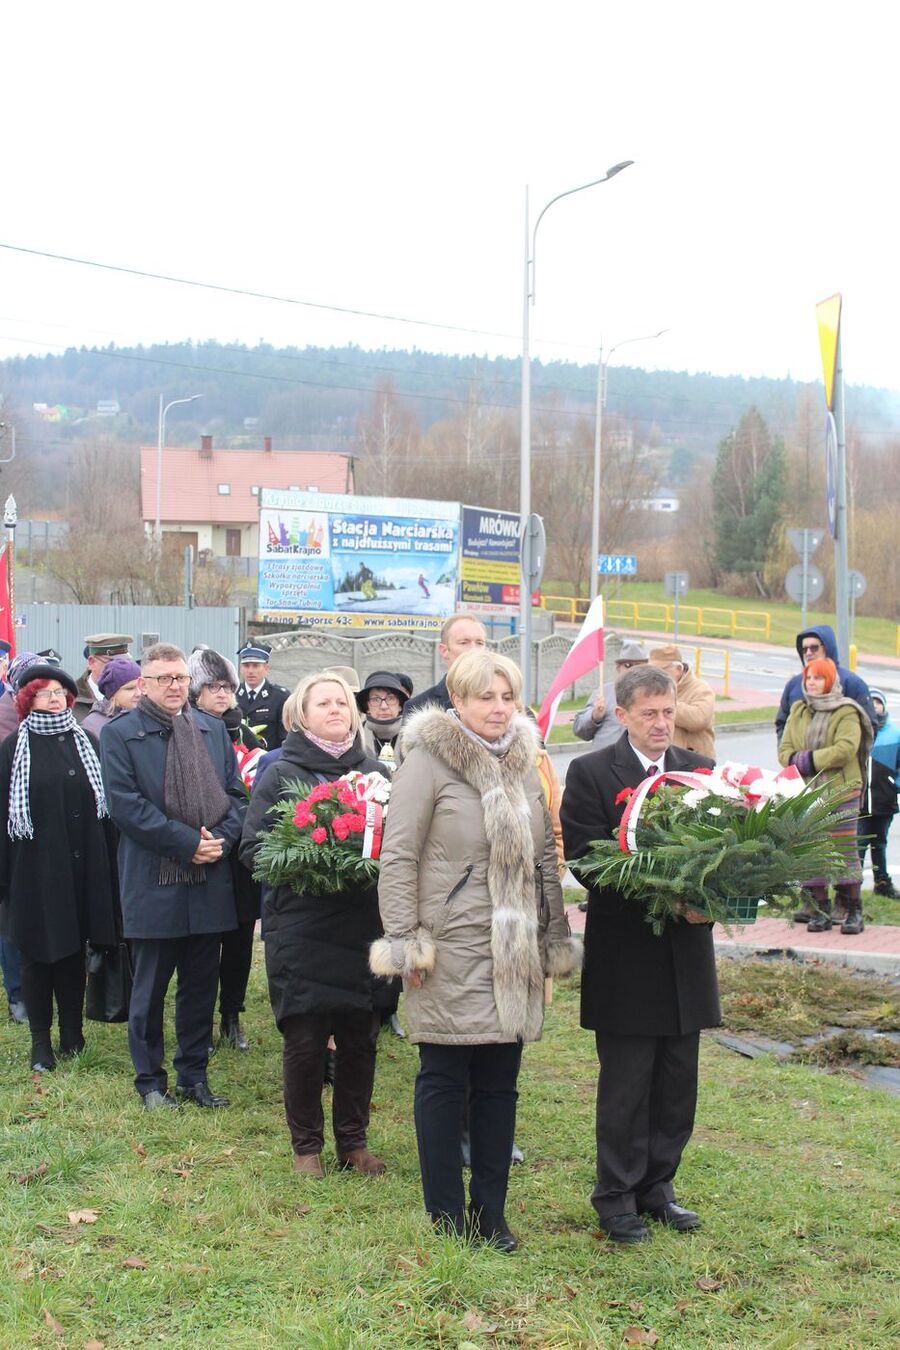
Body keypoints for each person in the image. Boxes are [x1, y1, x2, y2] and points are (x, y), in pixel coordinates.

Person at [373, 649, 580, 1248]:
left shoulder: (524, 761)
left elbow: (545, 857)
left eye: (506, 697)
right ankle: (444, 1216)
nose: (497, 708)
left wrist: (553, 936)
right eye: (483, 697)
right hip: (450, 946)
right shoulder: (428, 761)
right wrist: (405, 941)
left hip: (512, 951)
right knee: (443, 1077)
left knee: (499, 1082)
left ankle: (490, 1214)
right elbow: (399, 855)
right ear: (457, 702)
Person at [561, 664, 719, 1245]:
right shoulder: (592, 773)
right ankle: (616, 1197)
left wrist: (711, 899)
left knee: (678, 1082)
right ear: (623, 715)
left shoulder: (698, 772)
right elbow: (586, 859)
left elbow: (726, 853)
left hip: (687, 955)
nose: (661, 724)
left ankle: (659, 1188)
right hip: (628, 954)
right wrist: (665, 895)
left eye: (668, 713)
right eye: (649, 714)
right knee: (627, 1084)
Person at [240, 672, 389, 1177]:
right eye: (322, 703)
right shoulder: (280, 772)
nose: (334, 710)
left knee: (359, 1039)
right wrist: (313, 860)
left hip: (363, 926)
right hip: (300, 925)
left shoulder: (374, 772)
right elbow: (253, 849)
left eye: (342, 703)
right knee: (304, 1041)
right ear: (300, 715)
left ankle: (353, 1142)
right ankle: (307, 1147)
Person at [101, 643, 245, 1110]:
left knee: (201, 985)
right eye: (163, 678)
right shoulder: (121, 734)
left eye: (180, 677)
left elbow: (235, 795)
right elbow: (126, 808)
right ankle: (150, 1082)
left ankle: (193, 1076)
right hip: (153, 882)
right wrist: (188, 844)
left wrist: (219, 840)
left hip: (209, 882)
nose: (174, 686)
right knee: (150, 987)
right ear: (143, 683)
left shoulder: (210, 729)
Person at [0, 663, 118, 1072]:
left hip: (83, 865)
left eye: (59, 693)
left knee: (73, 951)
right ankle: (40, 1043)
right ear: (27, 699)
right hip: (33, 871)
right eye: (44, 693)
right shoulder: (13, 748)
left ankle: (72, 1032)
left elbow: (104, 811)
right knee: (37, 953)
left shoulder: (86, 741)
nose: (54, 698)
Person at [188, 647, 263, 1052]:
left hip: (237, 849)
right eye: (213, 687)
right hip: (203, 844)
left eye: (227, 688)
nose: (222, 695)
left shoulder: (243, 730)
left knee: (238, 937)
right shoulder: (184, 728)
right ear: (196, 690)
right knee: (203, 942)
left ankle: (231, 1015)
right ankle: (198, 1014)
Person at [778, 657, 873, 935]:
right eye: (809, 678)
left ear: (830, 681)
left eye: (818, 678)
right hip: (807, 793)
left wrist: (806, 760)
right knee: (812, 853)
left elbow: (845, 749)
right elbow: (784, 751)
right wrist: (798, 760)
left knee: (843, 853)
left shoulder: (846, 711)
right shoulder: (798, 710)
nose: (812, 683)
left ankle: (855, 911)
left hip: (841, 792)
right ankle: (820, 911)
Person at [775, 624, 875, 741]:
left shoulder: (852, 684)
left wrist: (849, 755)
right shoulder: (794, 685)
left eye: (814, 648)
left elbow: (869, 726)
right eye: (804, 649)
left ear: (827, 647)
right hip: (798, 758)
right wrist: (789, 754)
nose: (808, 653)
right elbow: (782, 722)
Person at [401, 614, 487, 717]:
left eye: (479, 643)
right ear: (444, 650)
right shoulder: (418, 708)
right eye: (464, 643)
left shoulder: (504, 701)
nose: (474, 650)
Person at [858, 688, 900, 898]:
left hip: (884, 800)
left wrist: (895, 784)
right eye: (871, 702)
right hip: (861, 802)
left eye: (878, 702)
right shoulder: (859, 731)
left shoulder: (895, 734)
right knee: (859, 843)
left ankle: (882, 882)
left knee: (879, 843)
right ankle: (853, 884)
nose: (875, 706)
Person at [572, 641, 649, 749]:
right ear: (618, 668)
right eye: (628, 665)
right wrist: (594, 716)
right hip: (604, 763)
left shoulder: (653, 695)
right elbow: (579, 729)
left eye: (639, 666)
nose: (633, 670)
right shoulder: (604, 692)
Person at [648, 644, 716, 759]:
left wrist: (666, 703)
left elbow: (699, 719)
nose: (655, 677)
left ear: (678, 669)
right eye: (651, 671)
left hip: (695, 762)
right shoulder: (650, 690)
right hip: (662, 760)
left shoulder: (701, 689)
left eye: (660, 671)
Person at [236, 642, 289, 750]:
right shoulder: (232, 694)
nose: (250, 671)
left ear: (266, 668)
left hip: (268, 760)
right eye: (246, 666)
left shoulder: (280, 697)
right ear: (241, 668)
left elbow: (286, 738)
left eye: (256, 666)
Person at [74, 633, 134, 724]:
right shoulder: (70, 698)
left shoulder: (140, 695)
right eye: (113, 663)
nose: (121, 670)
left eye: (126, 663)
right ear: (92, 663)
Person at [357, 670, 412, 768]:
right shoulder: (355, 737)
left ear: (400, 705)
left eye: (390, 698)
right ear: (367, 707)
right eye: (375, 699)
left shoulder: (415, 736)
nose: (383, 706)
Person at [80, 657, 142, 740]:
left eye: (141, 686)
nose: (139, 693)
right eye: (130, 688)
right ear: (112, 694)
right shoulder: (92, 727)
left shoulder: (149, 718)